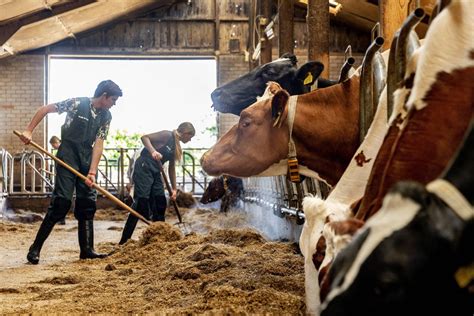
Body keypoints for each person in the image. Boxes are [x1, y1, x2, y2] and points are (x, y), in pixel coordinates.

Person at [19, 80, 123, 264]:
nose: (114, 103)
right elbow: (44, 109)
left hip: (86, 157)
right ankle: (34, 249)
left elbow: (99, 142)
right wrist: (28, 131)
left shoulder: (106, 116)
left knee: (87, 202)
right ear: (104, 96)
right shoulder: (77, 103)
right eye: (113, 99)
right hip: (68, 153)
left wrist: (92, 172)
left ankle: (87, 250)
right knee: (62, 202)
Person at [119, 122, 195, 244]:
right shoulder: (167, 135)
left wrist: (174, 189)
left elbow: (172, 169)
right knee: (140, 203)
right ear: (186, 133)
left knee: (160, 202)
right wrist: (153, 151)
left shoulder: (176, 146)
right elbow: (144, 138)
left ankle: (160, 238)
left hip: (155, 171)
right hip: (144, 167)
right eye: (190, 137)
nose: (190, 140)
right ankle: (124, 240)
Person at [48, 136, 68, 225]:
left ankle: (61, 218)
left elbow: (65, 164)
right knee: (58, 197)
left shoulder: (63, 151)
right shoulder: (62, 151)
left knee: (61, 197)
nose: (53, 147)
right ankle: (59, 218)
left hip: (64, 178)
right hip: (61, 177)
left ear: (56, 142)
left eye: (53, 145)